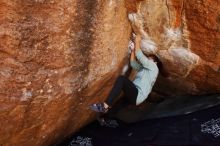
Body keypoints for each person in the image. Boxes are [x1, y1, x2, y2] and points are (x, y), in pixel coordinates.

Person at [89, 35, 163, 113]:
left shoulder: (154, 67)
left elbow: (140, 57)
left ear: (155, 62)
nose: (147, 59)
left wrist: (137, 41)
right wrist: (132, 50)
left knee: (122, 80)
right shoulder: (144, 69)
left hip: (138, 94)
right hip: (136, 96)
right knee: (118, 105)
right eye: (148, 58)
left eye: (149, 58)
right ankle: (107, 118)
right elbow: (133, 64)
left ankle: (105, 106)